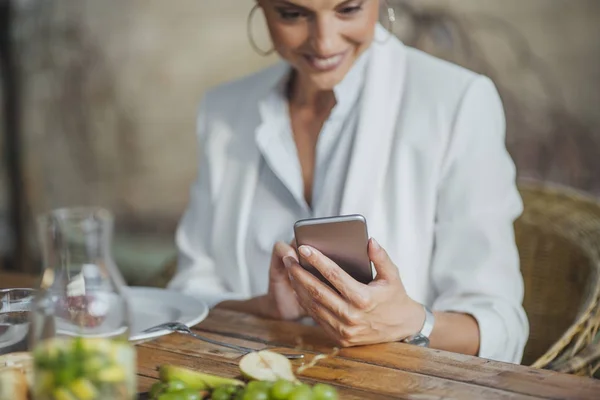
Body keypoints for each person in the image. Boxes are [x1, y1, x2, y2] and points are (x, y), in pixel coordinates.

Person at [167, 0, 529, 364]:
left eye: (349, 9)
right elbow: (188, 295)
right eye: (293, 14)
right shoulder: (224, 111)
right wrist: (264, 308)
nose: (324, 43)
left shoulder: (456, 102)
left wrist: (411, 323)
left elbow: (502, 327)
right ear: (261, 7)